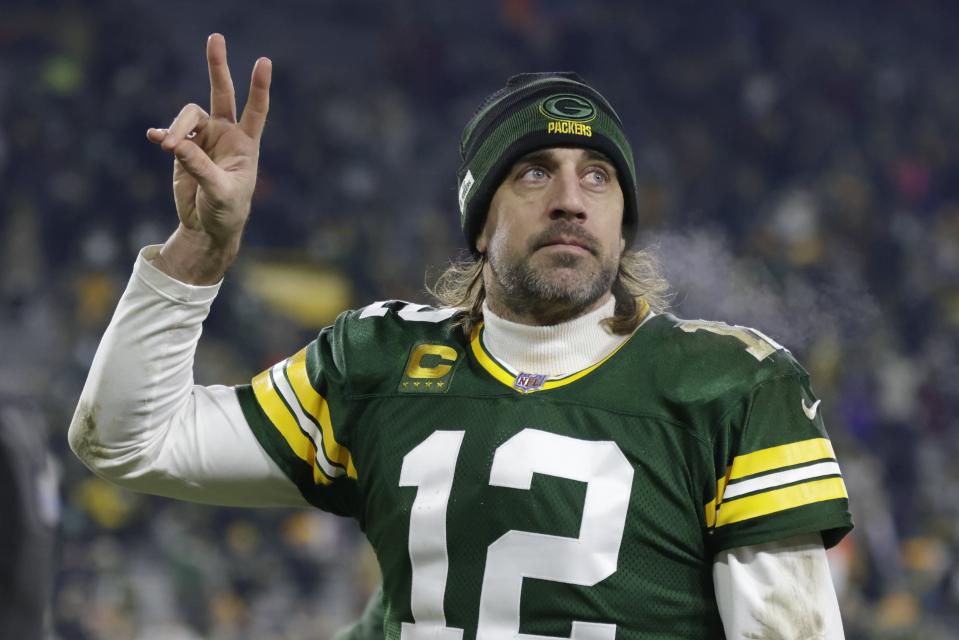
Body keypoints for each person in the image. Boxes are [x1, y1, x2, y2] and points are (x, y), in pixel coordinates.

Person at [70, 33, 853, 639]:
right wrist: (199, 253)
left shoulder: (733, 387)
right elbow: (131, 441)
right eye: (535, 171)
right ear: (480, 223)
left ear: (622, 221)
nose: (571, 200)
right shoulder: (378, 362)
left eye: (598, 175)